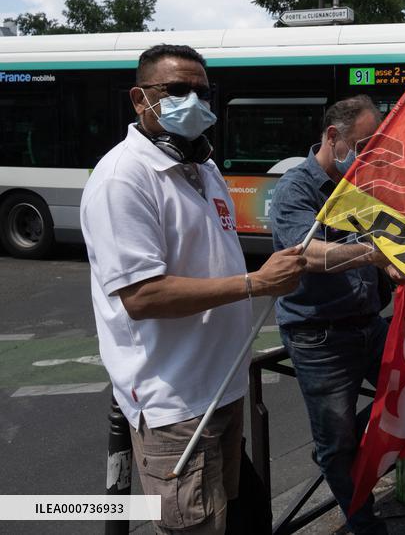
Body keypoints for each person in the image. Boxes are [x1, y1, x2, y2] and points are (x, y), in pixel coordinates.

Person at [81, 44, 305, 534]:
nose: (194, 100)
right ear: (141, 99)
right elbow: (143, 297)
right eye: (177, 90)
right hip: (174, 404)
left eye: (202, 91)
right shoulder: (122, 178)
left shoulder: (203, 168)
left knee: (243, 519)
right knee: (197, 525)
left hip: (221, 390)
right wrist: (255, 283)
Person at [269, 95, 399, 535]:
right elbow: (306, 255)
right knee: (338, 442)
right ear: (333, 137)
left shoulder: (360, 186)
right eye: (362, 145)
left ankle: (335, 453)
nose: (367, 156)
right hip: (319, 337)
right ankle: (363, 522)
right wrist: (375, 256)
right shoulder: (296, 188)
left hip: (368, 324)